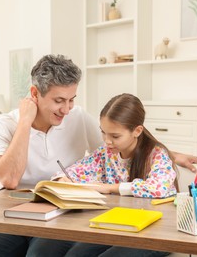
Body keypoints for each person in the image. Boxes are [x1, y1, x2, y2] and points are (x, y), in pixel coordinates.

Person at [0, 54, 197, 257]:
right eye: (59, 101)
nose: (67, 109)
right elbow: (9, 180)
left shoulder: (77, 117)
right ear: (34, 94)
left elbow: (121, 143)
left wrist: (170, 155)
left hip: (64, 211)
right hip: (15, 212)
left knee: (41, 253)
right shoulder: (1, 125)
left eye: (71, 100)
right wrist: (25, 123)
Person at [53, 93, 176, 256]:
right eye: (103, 132)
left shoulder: (156, 154)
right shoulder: (106, 153)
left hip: (156, 231)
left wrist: (111, 188)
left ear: (137, 131)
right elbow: (75, 172)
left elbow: (157, 189)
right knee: (75, 255)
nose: (107, 141)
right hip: (118, 225)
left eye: (115, 136)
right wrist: (63, 179)